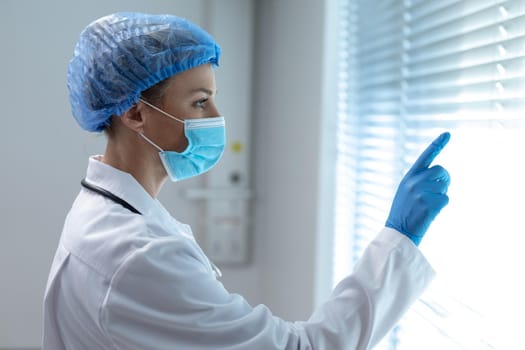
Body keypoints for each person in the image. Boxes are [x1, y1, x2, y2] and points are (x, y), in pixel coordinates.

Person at [42, 12, 451, 350]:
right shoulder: (138, 254)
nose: (218, 117)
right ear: (134, 114)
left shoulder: (103, 214)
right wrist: (399, 239)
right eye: (200, 102)